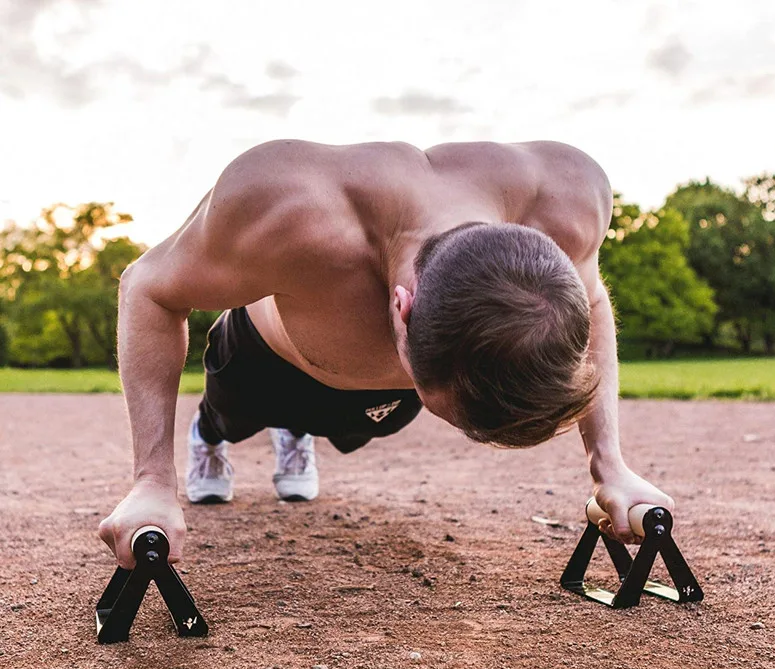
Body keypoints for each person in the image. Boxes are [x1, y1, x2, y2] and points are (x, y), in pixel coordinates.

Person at [99, 139, 674, 569]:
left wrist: (611, 465)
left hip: (376, 399)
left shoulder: (569, 202)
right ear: (402, 308)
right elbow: (148, 287)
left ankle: (303, 435)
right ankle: (213, 438)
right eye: (440, 404)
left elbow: (591, 302)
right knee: (228, 418)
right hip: (263, 360)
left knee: (362, 425)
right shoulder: (284, 207)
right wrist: (152, 479)